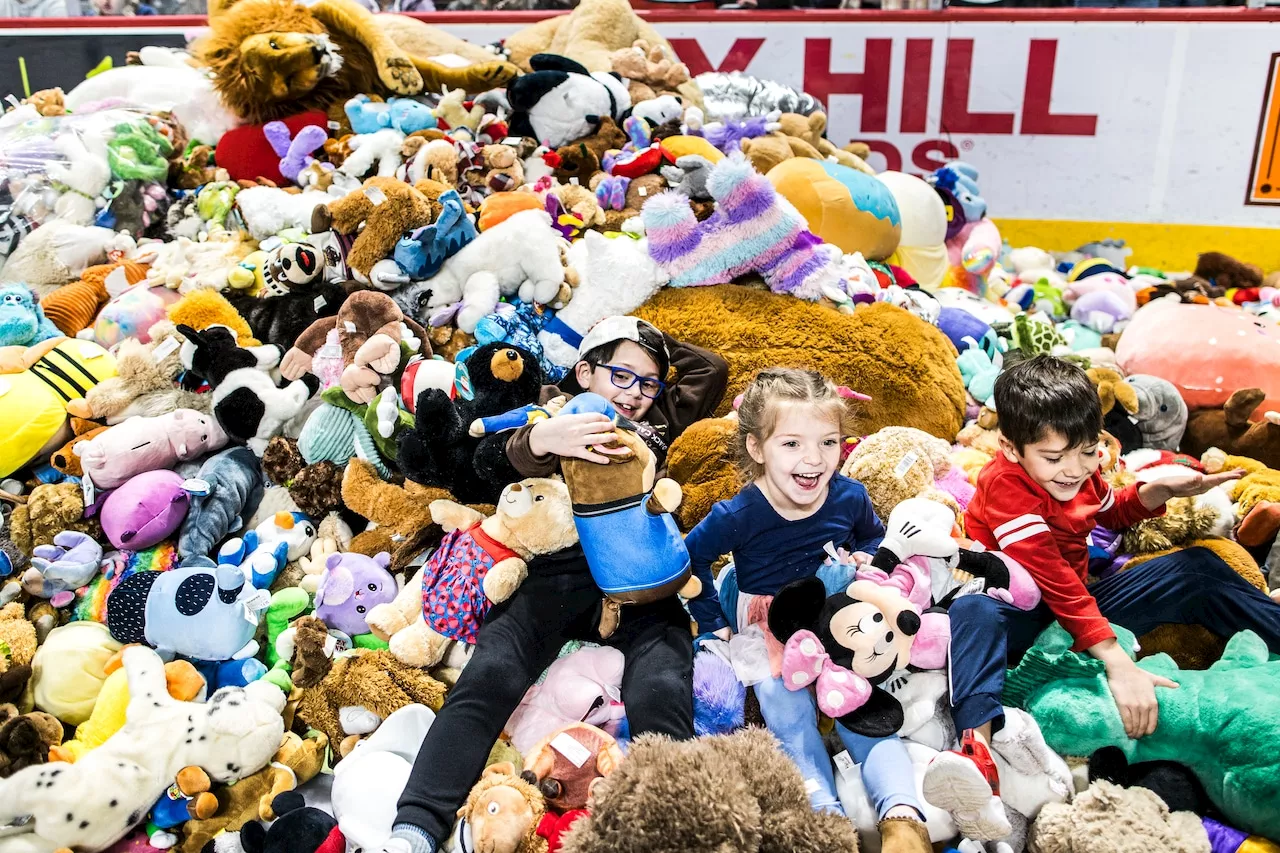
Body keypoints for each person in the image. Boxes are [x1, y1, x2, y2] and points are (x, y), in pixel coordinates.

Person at [385, 316, 727, 853]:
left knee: (662, 679)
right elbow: (483, 461)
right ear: (584, 371)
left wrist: (642, 335)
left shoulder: (658, 416)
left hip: (637, 579)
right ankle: (417, 825)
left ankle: (674, 828)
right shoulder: (551, 404)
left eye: (648, 381)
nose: (634, 393)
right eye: (620, 376)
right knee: (493, 671)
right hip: (557, 571)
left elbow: (711, 368)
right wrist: (544, 438)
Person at [922, 355, 1280, 840]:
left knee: (1197, 568)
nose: (1073, 471)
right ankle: (975, 745)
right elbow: (1052, 577)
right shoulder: (1005, 486)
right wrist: (1116, 659)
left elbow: (1107, 511)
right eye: (1054, 459)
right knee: (973, 609)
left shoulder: (1079, 467)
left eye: (1087, 452)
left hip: (1076, 609)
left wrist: (1159, 491)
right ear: (1009, 447)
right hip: (1022, 614)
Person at [683, 368, 934, 853]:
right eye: (792, 444)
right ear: (757, 448)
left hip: (834, 609)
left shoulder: (848, 495)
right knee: (787, 710)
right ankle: (826, 821)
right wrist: (714, 624)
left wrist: (869, 558)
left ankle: (903, 816)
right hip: (769, 622)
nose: (814, 460)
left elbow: (871, 535)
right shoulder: (739, 515)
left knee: (861, 703)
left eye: (828, 442)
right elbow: (688, 558)